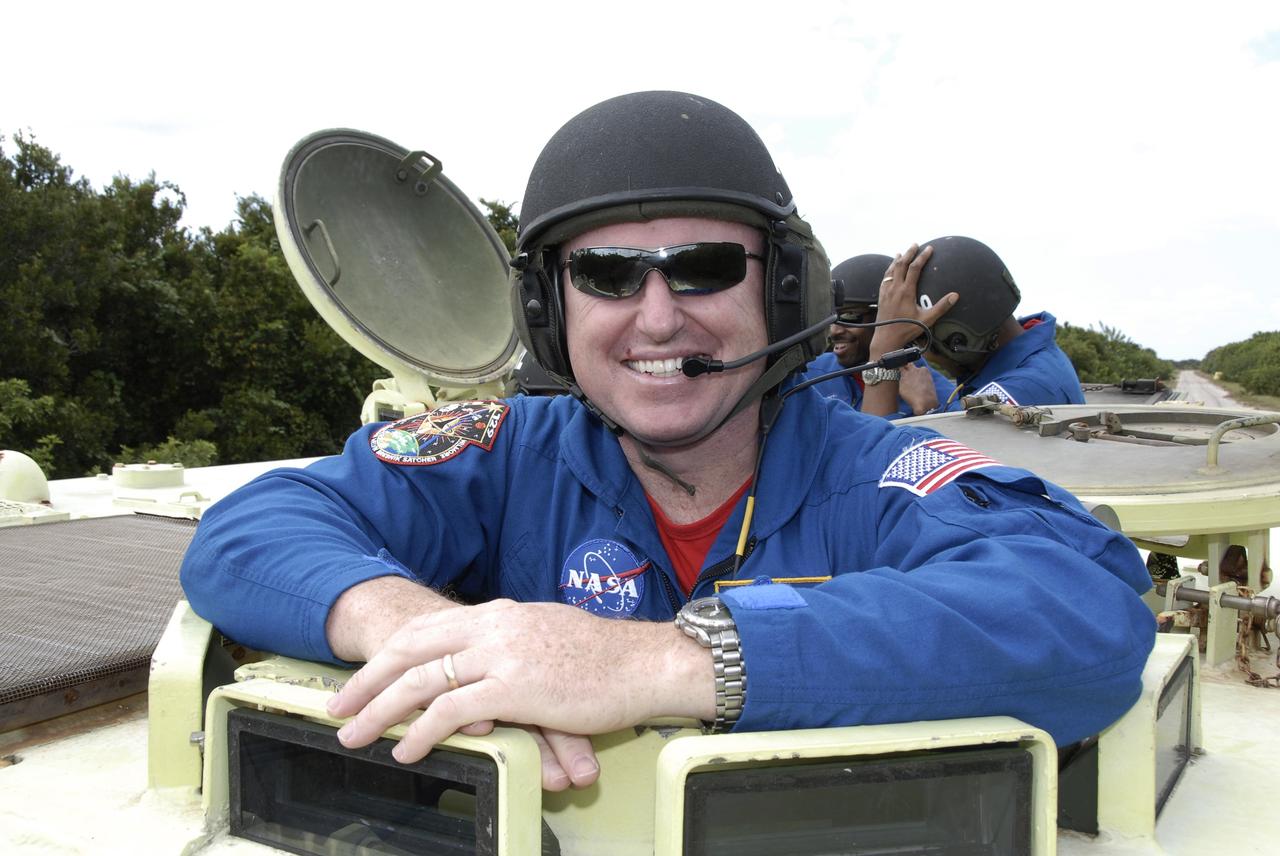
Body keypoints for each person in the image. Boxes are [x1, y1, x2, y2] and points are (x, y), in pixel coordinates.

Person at [179, 91, 1155, 794]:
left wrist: (661, 661)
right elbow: (254, 527)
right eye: (604, 274)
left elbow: (1079, 605)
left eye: (700, 269)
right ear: (548, 310)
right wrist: (418, 633)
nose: (654, 319)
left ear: (781, 290)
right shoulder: (505, 449)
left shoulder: (875, 468)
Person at [862, 237, 1085, 417]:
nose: (922, 351)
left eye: (920, 339)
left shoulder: (1020, 389)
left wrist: (883, 347)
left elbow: (875, 460)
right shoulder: (1032, 361)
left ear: (958, 339)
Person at [794, 253, 954, 418]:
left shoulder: (927, 384)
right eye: (829, 317)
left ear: (889, 315)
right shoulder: (808, 377)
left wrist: (930, 412)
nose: (835, 331)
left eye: (849, 315)